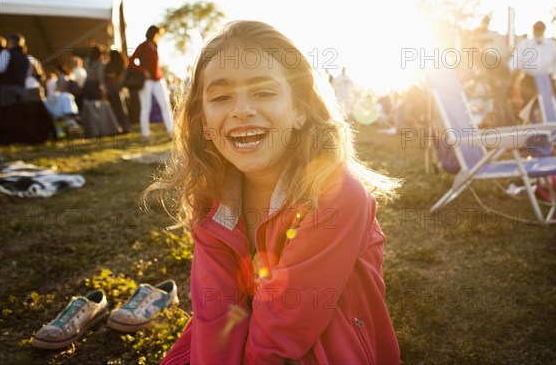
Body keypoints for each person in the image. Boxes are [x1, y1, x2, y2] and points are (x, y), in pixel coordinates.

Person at [152, 21, 402, 365]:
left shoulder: (336, 195)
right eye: (222, 97)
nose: (241, 109)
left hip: (324, 344)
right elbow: (216, 313)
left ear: (300, 110)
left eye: (263, 92)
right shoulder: (212, 201)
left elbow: (285, 329)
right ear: (204, 123)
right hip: (245, 336)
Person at [129, 25, 173, 140]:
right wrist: (143, 71)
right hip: (146, 81)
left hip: (158, 79)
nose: (159, 36)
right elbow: (131, 62)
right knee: (146, 107)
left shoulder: (155, 45)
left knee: (165, 104)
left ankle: (171, 132)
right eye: (158, 34)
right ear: (153, 34)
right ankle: (146, 134)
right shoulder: (142, 47)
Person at [510, 21, 556, 97]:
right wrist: (513, 69)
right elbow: (517, 58)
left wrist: (555, 77)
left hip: (546, 80)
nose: (538, 31)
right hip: (529, 80)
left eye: (540, 29)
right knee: (528, 104)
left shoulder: (552, 45)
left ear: (544, 29)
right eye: (536, 29)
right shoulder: (525, 44)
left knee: (545, 105)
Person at [104, 49, 131, 132]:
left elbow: (109, 76)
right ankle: (125, 126)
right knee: (122, 109)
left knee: (115, 109)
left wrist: (110, 76)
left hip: (113, 90)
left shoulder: (109, 65)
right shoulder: (122, 64)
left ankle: (118, 127)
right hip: (119, 89)